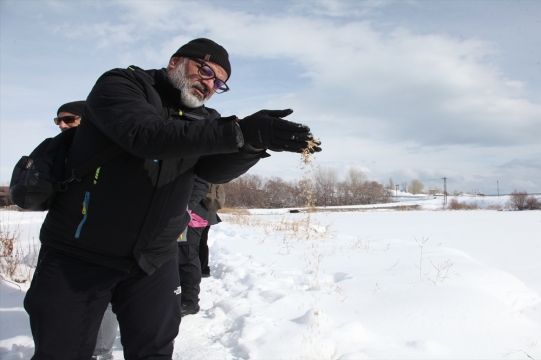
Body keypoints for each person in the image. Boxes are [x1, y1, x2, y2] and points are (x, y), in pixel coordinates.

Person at [24, 38, 321, 359]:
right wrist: (237, 132)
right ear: (175, 61)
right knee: (62, 352)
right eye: (206, 70)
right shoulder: (123, 84)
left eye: (219, 83)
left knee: (154, 352)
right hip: (80, 255)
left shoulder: (206, 117)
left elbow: (214, 171)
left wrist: (250, 146)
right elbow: (144, 135)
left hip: (153, 259)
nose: (210, 84)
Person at [55, 101, 120, 360]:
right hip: (66, 236)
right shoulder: (63, 149)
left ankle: (101, 353)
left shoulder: (110, 147)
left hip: (101, 239)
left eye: (69, 119)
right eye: (58, 120)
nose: (62, 125)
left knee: (100, 300)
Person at [177, 177, 221, 316]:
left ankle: (189, 302)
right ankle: (182, 297)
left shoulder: (195, 162)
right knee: (185, 254)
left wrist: (184, 209)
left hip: (191, 215)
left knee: (187, 255)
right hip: (189, 213)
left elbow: (200, 185)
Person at [199, 183, 224, 278]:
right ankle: (203, 269)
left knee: (194, 242)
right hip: (209, 213)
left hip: (198, 213)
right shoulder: (213, 177)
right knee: (202, 241)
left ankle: (199, 268)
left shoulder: (199, 176)